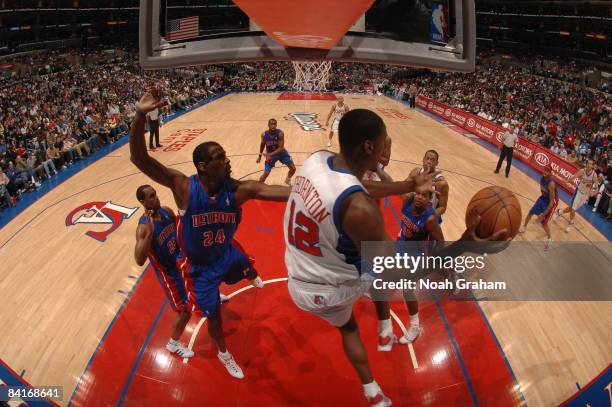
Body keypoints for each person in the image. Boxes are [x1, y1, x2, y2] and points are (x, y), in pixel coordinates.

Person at [284, 109, 506, 406]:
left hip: (295, 272)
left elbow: (357, 185)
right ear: (368, 146)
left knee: (373, 275)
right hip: (327, 290)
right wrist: (466, 244)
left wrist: (407, 185)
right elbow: (402, 272)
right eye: (383, 142)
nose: (386, 147)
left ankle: (380, 337)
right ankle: (373, 387)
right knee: (363, 308)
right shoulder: (362, 211)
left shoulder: (318, 160)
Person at [129, 88, 291, 379]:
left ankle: (249, 274)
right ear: (203, 166)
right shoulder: (182, 188)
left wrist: (320, 191)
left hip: (224, 254)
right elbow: (140, 159)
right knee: (213, 316)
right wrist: (140, 116)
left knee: (246, 263)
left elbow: (275, 191)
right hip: (199, 270)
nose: (227, 160)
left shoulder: (238, 190)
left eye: (225, 155)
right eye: (219, 157)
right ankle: (224, 354)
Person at [134, 184, 194, 358]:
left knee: (202, 277)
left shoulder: (167, 211)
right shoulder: (144, 226)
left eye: (156, 194)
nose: (156, 198)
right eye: (151, 196)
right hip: (169, 273)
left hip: (181, 262)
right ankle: (173, 344)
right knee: (184, 311)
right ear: (143, 201)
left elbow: (181, 231)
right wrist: (151, 233)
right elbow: (139, 259)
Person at [397, 183, 445, 344]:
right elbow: (390, 182)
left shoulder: (430, 218)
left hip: (415, 256)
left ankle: (415, 326)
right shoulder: (408, 202)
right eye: (417, 193)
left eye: (424, 195)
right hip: (401, 245)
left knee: (407, 290)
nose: (419, 197)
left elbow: (441, 240)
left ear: (429, 199)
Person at [519, 164, 557, 250]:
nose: (545, 171)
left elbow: (551, 201)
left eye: (547, 171)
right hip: (543, 199)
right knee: (531, 212)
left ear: (550, 173)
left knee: (544, 224)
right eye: (545, 170)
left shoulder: (551, 184)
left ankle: (550, 239)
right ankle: (524, 226)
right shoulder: (542, 178)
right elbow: (543, 192)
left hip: (551, 203)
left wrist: (543, 214)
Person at [554, 159, 598, 232]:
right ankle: (570, 223)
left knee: (572, 209)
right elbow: (574, 177)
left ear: (593, 166)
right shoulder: (582, 171)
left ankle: (559, 212)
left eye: (590, 164)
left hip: (585, 195)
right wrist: (566, 181)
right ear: (586, 164)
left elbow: (596, 188)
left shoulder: (594, 175)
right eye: (588, 163)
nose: (589, 165)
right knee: (573, 209)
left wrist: (594, 192)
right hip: (579, 192)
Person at [408, 150, 449, 221]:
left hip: (429, 215)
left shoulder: (441, 183)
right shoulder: (416, 172)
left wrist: (428, 217)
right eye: (427, 158)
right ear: (423, 159)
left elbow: (442, 207)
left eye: (432, 160)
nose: (429, 161)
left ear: (437, 163)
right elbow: (403, 192)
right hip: (414, 210)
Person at [256, 118, 296, 185]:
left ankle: (287, 180)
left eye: (275, 124)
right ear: (268, 125)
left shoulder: (280, 133)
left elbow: (280, 148)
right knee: (266, 173)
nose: (273, 126)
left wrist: (270, 154)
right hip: (270, 155)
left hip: (281, 153)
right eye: (271, 124)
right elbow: (262, 144)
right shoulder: (264, 135)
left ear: (276, 125)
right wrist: (260, 156)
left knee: (293, 168)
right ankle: (258, 187)